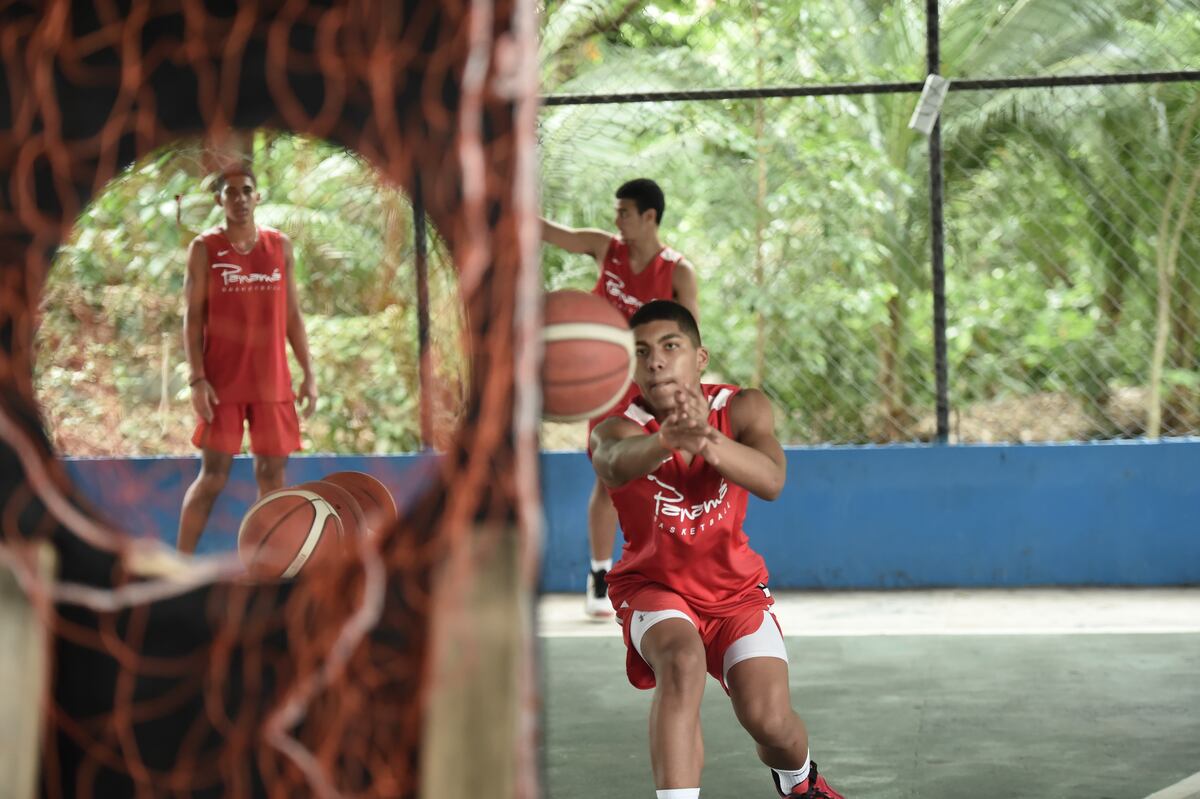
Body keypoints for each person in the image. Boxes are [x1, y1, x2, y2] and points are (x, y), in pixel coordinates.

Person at [590, 300, 843, 799]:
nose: (656, 361)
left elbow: (771, 480)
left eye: (670, 346)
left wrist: (704, 439)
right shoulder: (614, 426)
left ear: (699, 358)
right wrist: (668, 439)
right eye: (641, 352)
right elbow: (616, 465)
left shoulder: (743, 407)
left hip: (736, 593)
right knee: (681, 663)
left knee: (769, 723)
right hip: (654, 588)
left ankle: (800, 782)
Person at [541, 178, 699, 617]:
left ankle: (674, 573)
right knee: (608, 479)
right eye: (616, 213)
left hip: (654, 387)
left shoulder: (677, 271)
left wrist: (687, 393)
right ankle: (599, 573)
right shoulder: (604, 249)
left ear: (650, 217)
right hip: (607, 388)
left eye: (624, 212)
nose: (617, 220)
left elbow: (689, 336)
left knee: (670, 478)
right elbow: (550, 232)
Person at [177, 164, 317, 553]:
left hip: (272, 382)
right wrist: (196, 379)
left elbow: (292, 315)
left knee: (273, 479)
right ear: (219, 199)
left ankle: (266, 565)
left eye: (246, 191)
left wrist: (308, 373)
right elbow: (191, 319)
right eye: (231, 192)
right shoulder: (205, 248)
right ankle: (180, 564)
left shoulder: (280, 246)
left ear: (258, 197)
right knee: (213, 478)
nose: (239, 198)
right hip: (222, 385)